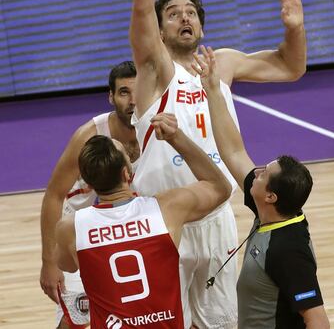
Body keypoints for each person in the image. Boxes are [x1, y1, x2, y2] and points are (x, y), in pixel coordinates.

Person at [129, 0, 306, 329]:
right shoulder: (154, 69)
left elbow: (290, 68)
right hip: (165, 216)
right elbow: (139, 12)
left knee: (224, 323)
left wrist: (294, 28)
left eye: (191, 13)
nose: (184, 17)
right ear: (161, 29)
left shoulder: (220, 64)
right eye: (173, 13)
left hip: (217, 218)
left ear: (202, 29)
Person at [192, 45, 330, 329]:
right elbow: (233, 151)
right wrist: (213, 91)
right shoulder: (271, 212)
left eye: (264, 173)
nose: (256, 171)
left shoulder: (289, 250)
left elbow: (317, 321)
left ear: (270, 195)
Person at [55, 113, 232, 329]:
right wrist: (177, 138)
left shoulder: (71, 227)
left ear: (89, 183)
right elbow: (220, 188)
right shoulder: (166, 209)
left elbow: (65, 265)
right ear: (127, 173)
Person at [40, 61, 139, 329]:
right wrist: (49, 262)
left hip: (127, 226)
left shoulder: (159, 128)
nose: (133, 100)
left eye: (138, 91)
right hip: (77, 229)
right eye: (124, 92)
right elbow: (53, 195)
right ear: (111, 96)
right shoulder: (88, 136)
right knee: (75, 320)